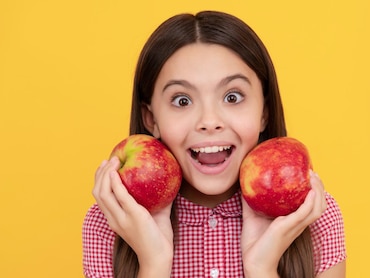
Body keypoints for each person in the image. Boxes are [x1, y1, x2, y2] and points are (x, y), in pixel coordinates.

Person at [82, 10, 346, 278]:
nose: (209, 121)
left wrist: (262, 269)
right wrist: (154, 264)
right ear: (151, 120)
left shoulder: (312, 215)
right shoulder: (109, 223)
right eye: (182, 100)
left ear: (264, 112)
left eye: (232, 97)